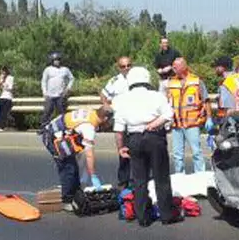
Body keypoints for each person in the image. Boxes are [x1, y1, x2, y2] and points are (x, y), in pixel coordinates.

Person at [113, 66, 176, 226]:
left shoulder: (122, 99)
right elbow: (169, 114)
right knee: (161, 177)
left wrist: (121, 148)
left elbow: (119, 129)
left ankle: (142, 217)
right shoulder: (156, 96)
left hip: (134, 139)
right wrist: (154, 124)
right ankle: (166, 215)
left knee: (139, 180)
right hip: (154, 137)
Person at [41, 104, 111, 210]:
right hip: (53, 137)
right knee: (68, 168)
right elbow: (89, 155)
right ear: (105, 118)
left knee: (73, 166)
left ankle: (76, 193)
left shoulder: (91, 113)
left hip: (61, 133)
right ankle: (67, 201)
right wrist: (93, 176)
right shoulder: (88, 127)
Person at [167, 57, 209, 173]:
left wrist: (209, 118)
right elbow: (167, 102)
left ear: (184, 67)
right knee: (177, 155)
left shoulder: (197, 82)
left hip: (192, 124)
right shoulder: (171, 83)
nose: (173, 68)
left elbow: (205, 100)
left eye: (176, 66)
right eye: (173, 66)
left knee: (196, 152)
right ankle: (179, 175)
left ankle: (200, 175)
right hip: (177, 125)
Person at [101, 56, 133, 187]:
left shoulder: (138, 78)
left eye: (128, 65)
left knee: (139, 150)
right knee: (123, 151)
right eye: (123, 66)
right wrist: (106, 106)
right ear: (118, 68)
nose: (126, 68)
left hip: (136, 119)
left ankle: (140, 179)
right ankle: (124, 180)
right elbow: (103, 94)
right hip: (120, 120)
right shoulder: (114, 81)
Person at [39, 52, 73, 128]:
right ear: (52, 61)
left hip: (61, 95)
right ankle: (43, 127)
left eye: (58, 60)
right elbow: (43, 81)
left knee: (62, 112)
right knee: (47, 111)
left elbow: (71, 78)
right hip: (50, 95)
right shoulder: (48, 69)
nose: (57, 61)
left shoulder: (65, 69)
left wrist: (68, 88)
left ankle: (65, 127)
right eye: (55, 60)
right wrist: (44, 92)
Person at [0, 65, 15, 130]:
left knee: (4, 113)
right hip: (2, 97)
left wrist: (3, 84)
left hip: (8, 97)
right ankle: (0, 126)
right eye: (1, 72)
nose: (2, 73)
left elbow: (10, 88)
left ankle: (3, 126)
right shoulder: (1, 78)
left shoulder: (10, 78)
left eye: (3, 71)